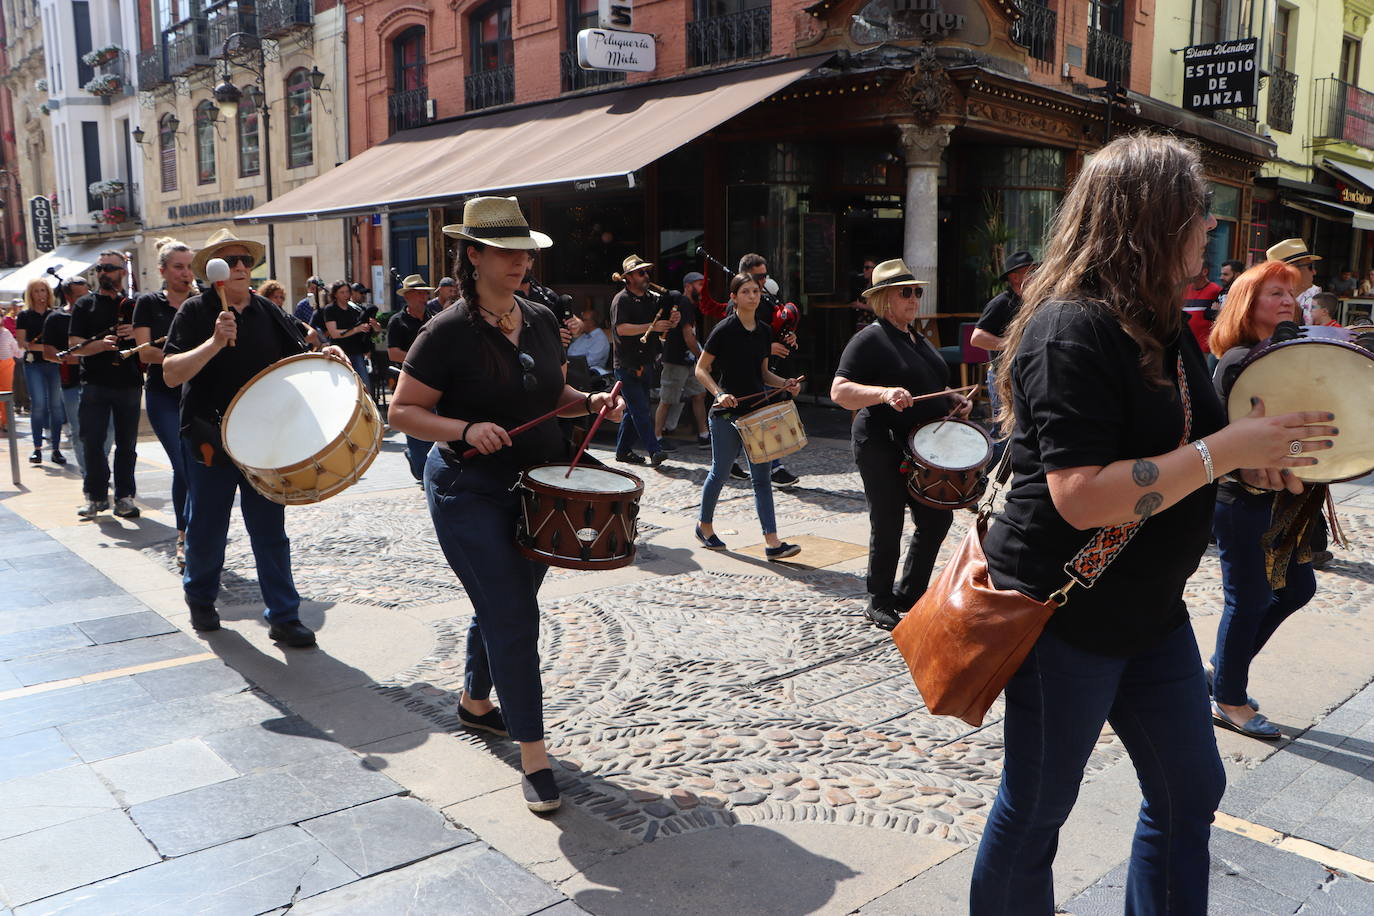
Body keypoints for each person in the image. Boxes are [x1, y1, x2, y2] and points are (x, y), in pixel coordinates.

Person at [969, 134, 1335, 915]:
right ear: (1152, 220)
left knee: (1190, 789)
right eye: (1200, 212)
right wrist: (1225, 450)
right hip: (1061, 612)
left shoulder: (1161, 321)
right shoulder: (1070, 327)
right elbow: (1078, 496)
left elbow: (1184, 444)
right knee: (1036, 810)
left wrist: (1248, 462)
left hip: (1148, 609)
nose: (1212, 227)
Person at [387, 196, 625, 814]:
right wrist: (464, 429)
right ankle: (535, 755)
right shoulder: (446, 331)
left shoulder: (542, 318)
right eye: (507, 251)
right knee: (513, 614)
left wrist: (590, 402)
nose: (521, 261)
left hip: (537, 486)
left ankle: (473, 702)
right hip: (467, 487)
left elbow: (553, 390)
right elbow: (403, 411)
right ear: (474, 256)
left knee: (500, 602)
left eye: (526, 251)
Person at [162, 228, 331, 649]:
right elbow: (170, 373)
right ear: (215, 272)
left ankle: (284, 616)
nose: (240, 266)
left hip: (263, 440)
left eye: (245, 260)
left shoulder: (267, 312)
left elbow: (300, 355)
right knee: (207, 524)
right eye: (230, 260)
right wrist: (215, 342)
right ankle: (200, 597)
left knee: (269, 529)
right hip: (207, 436)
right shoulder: (194, 312)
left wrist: (327, 356)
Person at [1205, 259, 1328, 740]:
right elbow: (1251, 439)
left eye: (1290, 293)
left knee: (1296, 589)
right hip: (1240, 497)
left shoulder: (1274, 353)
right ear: (1246, 304)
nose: (1287, 300)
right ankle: (1229, 699)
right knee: (1250, 599)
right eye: (1274, 292)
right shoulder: (1241, 359)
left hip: (1276, 499)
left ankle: (1222, 670)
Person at [831, 258, 972, 629]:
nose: (914, 298)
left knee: (936, 517)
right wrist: (883, 393)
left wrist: (952, 399)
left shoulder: (916, 336)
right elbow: (839, 390)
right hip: (880, 441)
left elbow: (930, 385)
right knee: (888, 520)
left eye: (916, 292)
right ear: (883, 300)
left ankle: (909, 594)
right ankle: (878, 599)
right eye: (905, 292)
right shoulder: (870, 338)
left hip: (920, 444)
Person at [694, 272, 803, 561]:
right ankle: (704, 526)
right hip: (726, 413)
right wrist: (718, 393)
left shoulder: (765, 331)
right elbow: (700, 369)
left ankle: (772, 542)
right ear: (734, 297)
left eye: (756, 291)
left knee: (762, 479)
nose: (753, 296)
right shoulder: (724, 330)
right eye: (746, 292)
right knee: (720, 471)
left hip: (757, 413)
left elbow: (764, 374)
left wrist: (786, 384)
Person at [133, 238, 196, 568]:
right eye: (178, 267)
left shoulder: (202, 302)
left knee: (193, 467)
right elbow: (144, 352)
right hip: (162, 394)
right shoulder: (148, 302)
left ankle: (192, 531)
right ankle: (185, 536)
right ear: (163, 271)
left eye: (189, 266)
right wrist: (186, 357)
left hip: (198, 395)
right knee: (183, 463)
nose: (185, 273)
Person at [69, 251, 143, 519]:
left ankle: (124, 497)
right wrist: (100, 345)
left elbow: (152, 338)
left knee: (127, 444)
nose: (103, 272)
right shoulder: (85, 304)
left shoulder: (136, 303)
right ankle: (96, 496)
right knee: (92, 442)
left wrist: (134, 333)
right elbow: (73, 344)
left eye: (109, 268)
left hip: (129, 382)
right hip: (94, 383)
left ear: (123, 271)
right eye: (99, 268)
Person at [732, 254, 801, 488]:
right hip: (742, 374)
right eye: (760, 276)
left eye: (765, 276)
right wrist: (768, 346)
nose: (764, 281)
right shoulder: (738, 307)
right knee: (759, 420)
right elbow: (738, 342)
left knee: (761, 418)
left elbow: (771, 329)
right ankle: (774, 469)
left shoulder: (767, 299)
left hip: (765, 370)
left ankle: (755, 466)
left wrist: (789, 335)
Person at [610, 254, 675, 467]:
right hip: (627, 365)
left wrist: (673, 320)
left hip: (646, 362)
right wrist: (651, 327)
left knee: (633, 410)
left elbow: (662, 320)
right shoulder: (622, 299)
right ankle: (654, 450)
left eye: (646, 271)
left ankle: (623, 451)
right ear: (628, 277)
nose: (646, 275)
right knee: (640, 409)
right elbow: (620, 329)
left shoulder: (651, 298)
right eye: (641, 272)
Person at [42, 277, 100, 481]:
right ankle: (90, 474)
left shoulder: (96, 314)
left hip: (99, 380)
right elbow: (48, 353)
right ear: (67, 296)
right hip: (72, 383)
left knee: (107, 431)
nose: (86, 300)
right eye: (80, 297)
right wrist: (75, 358)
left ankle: (97, 466)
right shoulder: (55, 319)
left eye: (88, 295)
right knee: (78, 430)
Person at [970, 249, 1035, 433]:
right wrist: (1011, 345)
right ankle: (994, 463)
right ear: (1015, 278)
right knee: (1003, 431)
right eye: (1030, 271)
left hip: (1024, 375)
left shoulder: (1032, 302)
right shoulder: (1001, 302)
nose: (1037, 275)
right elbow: (977, 338)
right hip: (1003, 377)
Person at [387, 274, 439, 481]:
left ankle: (426, 469)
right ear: (407, 296)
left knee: (433, 426)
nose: (423, 298)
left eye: (425, 294)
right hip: (409, 381)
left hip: (435, 381)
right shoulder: (397, 322)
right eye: (419, 294)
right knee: (416, 427)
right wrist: (420, 357)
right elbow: (393, 353)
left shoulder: (434, 317)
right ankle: (420, 469)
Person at [654, 271, 710, 450]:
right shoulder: (684, 303)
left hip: (688, 359)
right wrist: (703, 359)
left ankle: (703, 435)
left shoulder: (689, 305)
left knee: (699, 394)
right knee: (667, 398)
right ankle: (657, 437)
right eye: (699, 285)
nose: (702, 289)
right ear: (688, 286)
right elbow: (688, 337)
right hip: (676, 359)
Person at [15, 278, 64, 465]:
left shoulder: (56, 314)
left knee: (56, 407)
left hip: (54, 364)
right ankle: (37, 449)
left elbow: (60, 343)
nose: (40, 294)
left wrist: (42, 348)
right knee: (38, 405)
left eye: (43, 290)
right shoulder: (24, 316)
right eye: (36, 291)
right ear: (30, 294)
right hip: (33, 365)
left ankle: (56, 448)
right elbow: (22, 344)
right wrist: (46, 348)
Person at [325, 280, 379, 387]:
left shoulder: (355, 308)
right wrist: (356, 329)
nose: (345, 295)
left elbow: (373, 330)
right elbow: (334, 333)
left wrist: (374, 326)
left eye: (347, 292)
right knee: (343, 385)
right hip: (339, 353)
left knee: (364, 384)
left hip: (356, 351)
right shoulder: (330, 309)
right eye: (342, 292)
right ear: (335, 294)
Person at [1266, 238, 1321, 323]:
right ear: (1293, 270)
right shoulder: (1269, 307)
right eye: (1310, 267)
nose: (1314, 272)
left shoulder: (1295, 307)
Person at [1182, 264, 1223, 359]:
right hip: (1186, 346)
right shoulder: (1184, 290)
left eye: (1194, 269)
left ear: (1204, 271)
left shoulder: (1216, 290)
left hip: (1205, 349)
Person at [0, 318, 19, 432]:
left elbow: (16, 349)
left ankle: (6, 421)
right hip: (7, 363)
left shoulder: (6, 333)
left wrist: (21, 353)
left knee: (6, 393)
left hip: (7, 364)